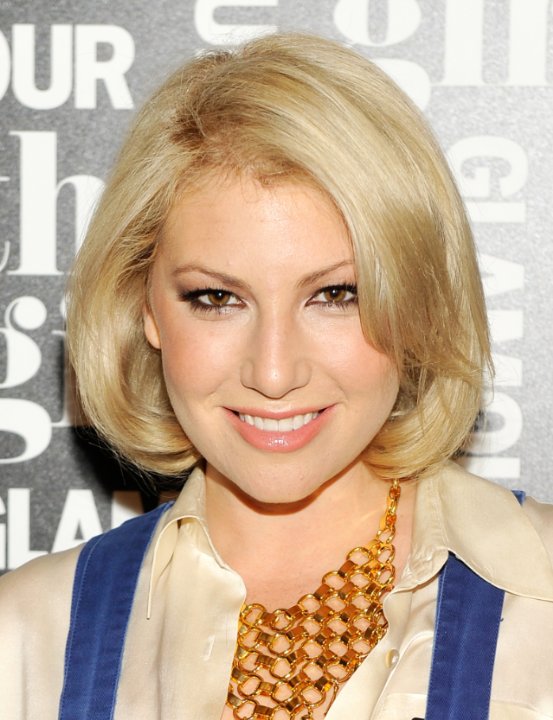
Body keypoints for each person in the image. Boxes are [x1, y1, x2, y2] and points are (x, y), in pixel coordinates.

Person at [1, 32, 552, 720]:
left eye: (335, 295)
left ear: (413, 300)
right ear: (144, 308)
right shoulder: (23, 638)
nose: (272, 372)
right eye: (216, 298)